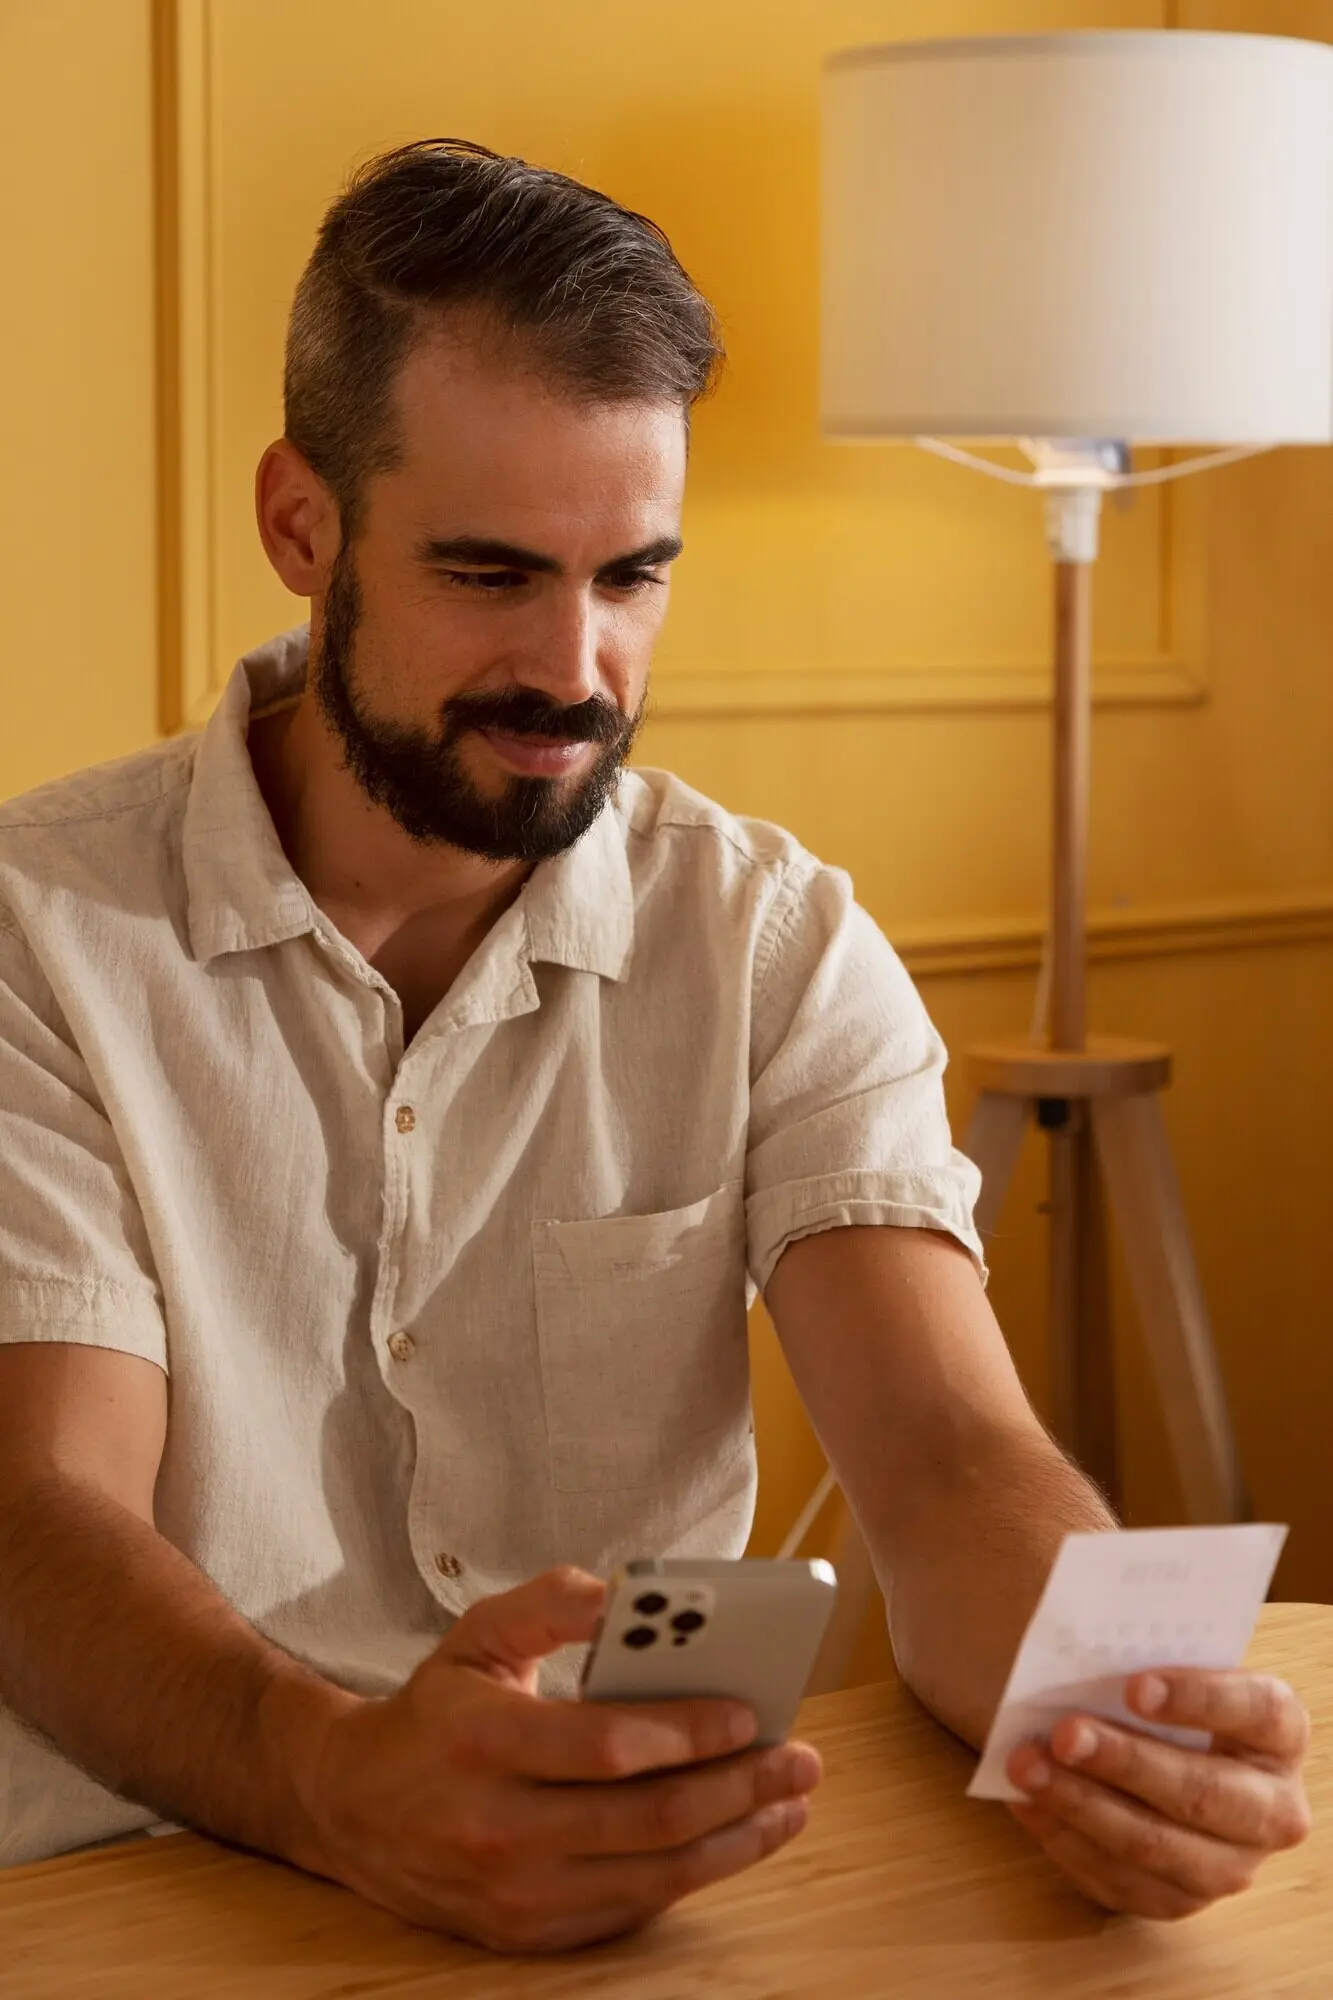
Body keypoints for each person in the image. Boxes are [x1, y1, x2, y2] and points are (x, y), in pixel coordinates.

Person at [0, 140, 1309, 1953]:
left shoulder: (773, 941)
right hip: (141, 1878)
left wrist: (1099, 1715)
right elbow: (39, 1513)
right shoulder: (38, 937)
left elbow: (941, 1456)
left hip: (629, 1903)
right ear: (302, 525)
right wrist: (329, 1780)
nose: (577, 667)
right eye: (489, 575)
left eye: (633, 577)